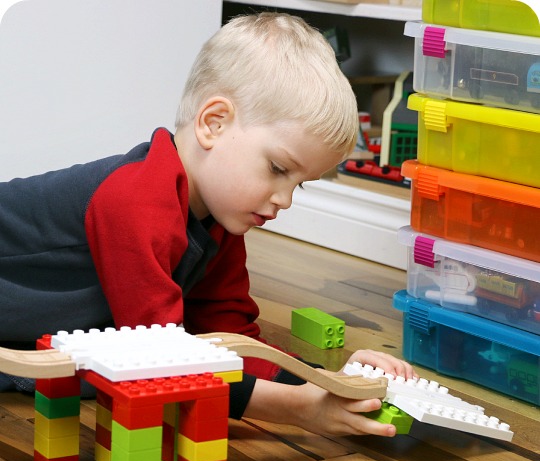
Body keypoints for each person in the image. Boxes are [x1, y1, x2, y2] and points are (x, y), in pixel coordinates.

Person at [0, 12, 415, 437]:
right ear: (213, 123)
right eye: (276, 168)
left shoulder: (219, 221)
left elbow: (230, 340)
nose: (285, 199)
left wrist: (325, 381)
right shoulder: (133, 200)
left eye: (299, 185)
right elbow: (163, 361)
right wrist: (300, 408)